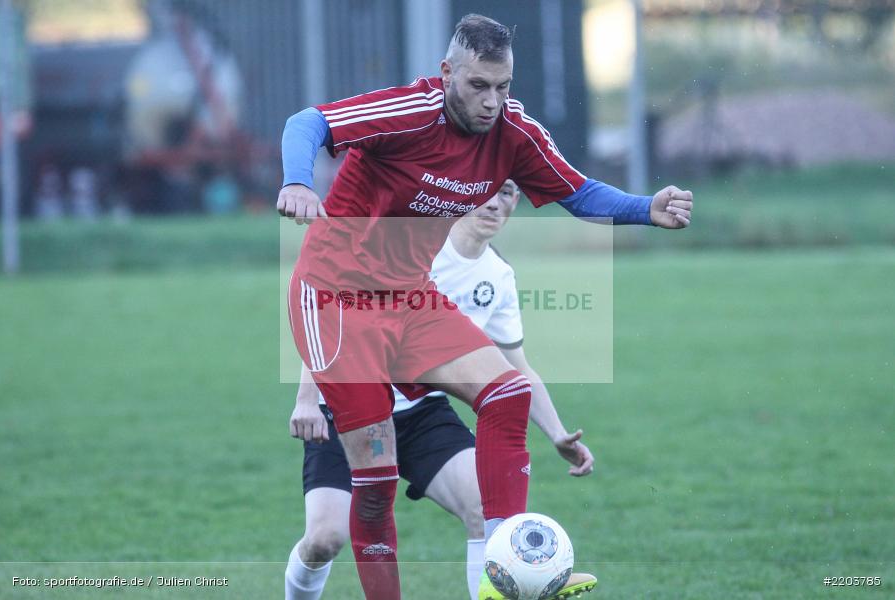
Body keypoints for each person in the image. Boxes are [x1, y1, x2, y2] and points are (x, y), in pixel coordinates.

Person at [278, 14, 692, 599]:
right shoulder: (410, 112)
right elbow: (307, 122)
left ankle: (505, 569)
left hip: (408, 296)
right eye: (478, 85)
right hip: (334, 300)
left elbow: (578, 192)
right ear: (447, 72)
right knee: (375, 484)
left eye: (503, 86)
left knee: (507, 394)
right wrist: (298, 181)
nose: (492, 101)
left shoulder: (514, 133)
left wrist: (644, 207)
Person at [284, 181, 596, 600]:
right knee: (325, 539)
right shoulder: (412, 248)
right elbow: (330, 312)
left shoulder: (498, 276)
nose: (495, 204)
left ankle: (497, 591)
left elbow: (517, 367)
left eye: (507, 193)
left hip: (422, 413)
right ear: (464, 194)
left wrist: (556, 433)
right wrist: (307, 399)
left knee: (484, 507)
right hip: (346, 413)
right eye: (488, 191)